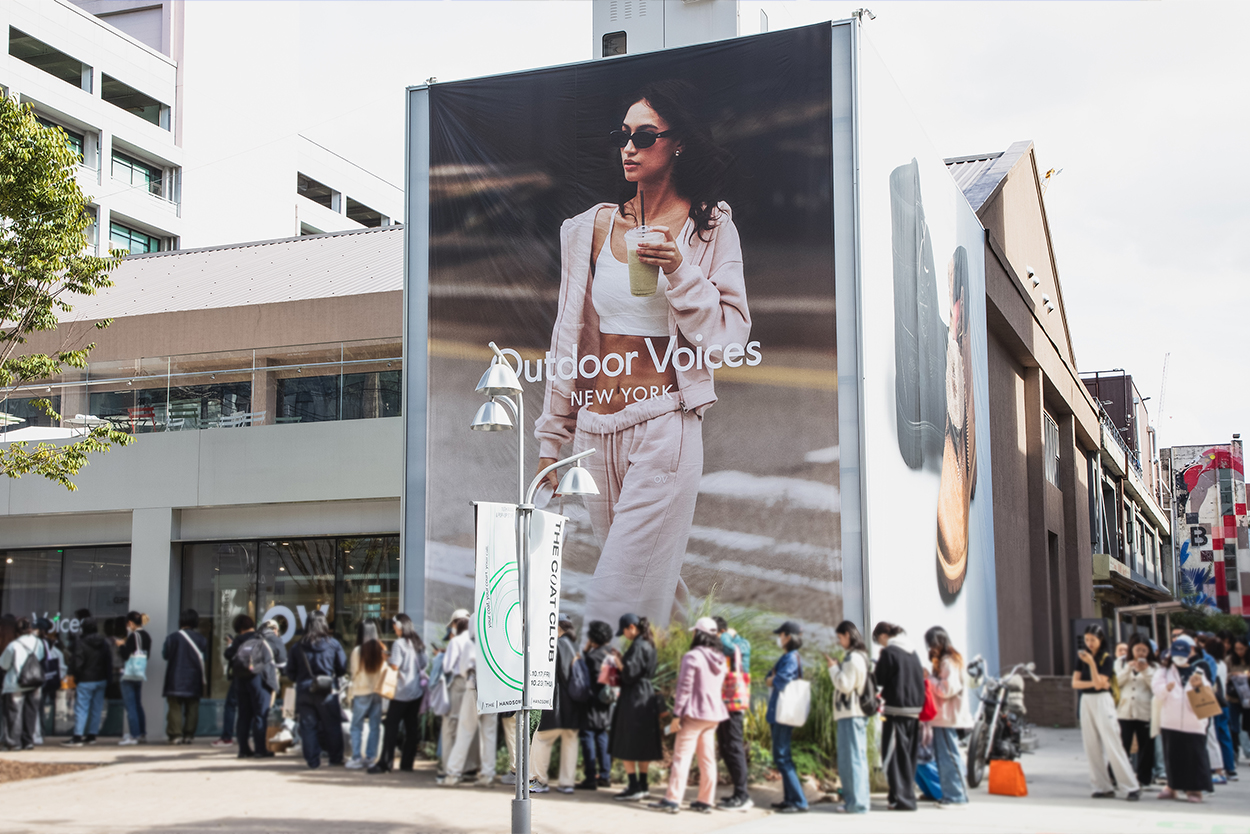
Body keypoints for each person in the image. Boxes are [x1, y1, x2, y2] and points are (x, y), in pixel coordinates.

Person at [534, 79, 749, 632]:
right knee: (649, 591)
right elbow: (570, 339)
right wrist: (551, 442)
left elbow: (728, 336)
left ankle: (602, 714)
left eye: (645, 135)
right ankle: (706, 696)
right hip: (593, 432)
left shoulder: (709, 226)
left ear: (677, 143)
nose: (629, 147)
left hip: (663, 429)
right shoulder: (589, 228)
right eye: (623, 135)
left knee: (615, 602)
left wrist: (680, 268)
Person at [651, 617, 727, 814]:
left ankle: (673, 800)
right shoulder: (720, 658)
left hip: (694, 715)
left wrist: (677, 715)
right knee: (707, 759)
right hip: (713, 715)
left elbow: (684, 689)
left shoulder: (692, 657)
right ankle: (705, 801)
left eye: (694, 631)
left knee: (682, 758)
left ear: (698, 634)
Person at [1073, 623, 1140, 800]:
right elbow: (1075, 683)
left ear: (1100, 639)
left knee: (1113, 743)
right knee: (1091, 745)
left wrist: (1092, 666)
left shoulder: (1106, 658)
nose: (1089, 643)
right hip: (1086, 700)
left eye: (1093, 640)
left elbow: (1100, 683)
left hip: (1103, 700)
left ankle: (1131, 787)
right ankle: (1101, 787)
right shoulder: (1082, 657)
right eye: (1087, 640)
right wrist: (1094, 682)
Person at [610, 613, 663, 801]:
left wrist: (617, 661)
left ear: (631, 627)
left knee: (627, 739)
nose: (624, 635)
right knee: (643, 740)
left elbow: (630, 672)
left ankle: (633, 787)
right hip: (646, 693)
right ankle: (643, 785)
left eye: (624, 631)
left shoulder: (638, 645)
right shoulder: (649, 643)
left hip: (633, 696)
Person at [1153, 636, 1214, 801]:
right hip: (1170, 721)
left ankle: (1195, 789)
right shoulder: (1164, 671)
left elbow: (1207, 694)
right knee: (1172, 755)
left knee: (1195, 756)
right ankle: (1171, 786)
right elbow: (1157, 691)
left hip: (1194, 722)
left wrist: (1198, 686)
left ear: (1189, 654)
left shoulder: (1198, 671)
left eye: (1182, 654)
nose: (1179, 658)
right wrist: (1167, 688)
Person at [873, 621, 925, 811]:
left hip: (896, 710)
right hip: (914, 710)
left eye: (879, 640)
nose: (881, 645)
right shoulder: (913, 652)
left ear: (884, 636)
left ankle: (904, 800)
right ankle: (897, 797)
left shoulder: (889, 653)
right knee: (908, 756)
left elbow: (879, 679)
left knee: (892, 756)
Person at [440, 619, 497, 788]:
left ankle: (453, 773)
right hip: (492, 690)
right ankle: (488, 774)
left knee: (465, 730)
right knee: (489, 733)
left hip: (473, 688)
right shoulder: (494, 641)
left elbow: (464, 668)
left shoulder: (471, 643)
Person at [287, 610, 347, 768]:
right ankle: (335, 758)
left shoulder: (297, 646)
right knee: (332, 725)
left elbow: (290, 673)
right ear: (324, 624)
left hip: (304, 691)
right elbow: (342, 668)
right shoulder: (333, 644)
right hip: (327, 691)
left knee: (308, 727)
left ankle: (313, 761)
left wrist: (302, 679)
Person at [530, 613, 580, 794]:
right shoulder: (576, 646)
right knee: (570, 742)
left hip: (558, 702)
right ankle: (567, 783)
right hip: (575, 704)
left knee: (541, 740)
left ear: (557, 626)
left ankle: (540, 781)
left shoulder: (555, 645)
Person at [371, 613, 427, 774]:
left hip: (401, 692)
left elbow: (395, 666)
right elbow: (423, 664)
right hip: (416, 691)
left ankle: (385, 763)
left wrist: (386, 659)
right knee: (411, 728)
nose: (394, 628)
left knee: (391, 727)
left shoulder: (399, 644)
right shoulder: (418, 643)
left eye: (395, 626)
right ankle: (407, 764)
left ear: (400, 627)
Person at [924, 626, 972, 806]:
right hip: (946, 717)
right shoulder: (951, 659)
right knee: (948, 757)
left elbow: (947, 689)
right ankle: (953, 796)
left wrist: (929, 678)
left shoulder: (948, 662)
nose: (931, 648)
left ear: (941, 642)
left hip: (947, 717)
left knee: (948, 757)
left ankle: (956, 797)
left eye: (932, 644)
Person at [827, 621, 871, 815]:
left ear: (847, 635)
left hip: (851, 714)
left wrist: (833, 669)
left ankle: (857, 804)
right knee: (853, 759)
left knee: (852, 760)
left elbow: (844, 685)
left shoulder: (853, 659)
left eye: (840, 637)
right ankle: (855, 802)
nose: (839, 641)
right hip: (852, 714)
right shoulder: (860, 656)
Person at [223, 614, 280, 759]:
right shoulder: (261, 636)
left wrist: (231, 644)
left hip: (241, 680)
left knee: (243, 715)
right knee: (260, 714)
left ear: (239, 628)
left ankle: (243, 750)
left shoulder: (238, 640)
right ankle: (260, 750)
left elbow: (228, 654)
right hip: (258, 679)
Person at [766, 620, 808, 814]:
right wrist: (772, 677)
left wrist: (772, 679)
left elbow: (780, 679)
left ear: (788, 637)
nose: (779, 638)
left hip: (783, 715)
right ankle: (790, 799)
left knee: (782, 757)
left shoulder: (791, 657)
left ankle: (799, 801)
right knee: (782, 756)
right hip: (780, 714)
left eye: (781, 635)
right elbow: (772, 676)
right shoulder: (789, 656)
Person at [714, 615, 753, 810]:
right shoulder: (724, 642)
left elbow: (731, 649)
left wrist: (726, 636)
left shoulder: (741, 643)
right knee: (725, 745)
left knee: (734, 746)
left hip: (734, 705)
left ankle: (743, 795)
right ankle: (738, 793)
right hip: (723, 702)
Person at [575, 620, 615, 790]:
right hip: (606, 702)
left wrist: (584, 651)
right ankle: (605, 776)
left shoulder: (592, 657)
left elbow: (581, 673)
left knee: (587, 737)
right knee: (602, 736)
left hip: (591, 703)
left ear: (593, 637)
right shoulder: (611, 655)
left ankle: (590, 777)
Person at [1116, 633, 1158, 791]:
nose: (1140, 653)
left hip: (1145, 711)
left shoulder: (1154, 666)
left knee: (1146, 746)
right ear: (1131, 649)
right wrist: (1128, 669)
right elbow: (1116, 683)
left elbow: (1156, 687)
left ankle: (1144, 778)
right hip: (1124, 710)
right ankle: (1117, 776)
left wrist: (1145, 671)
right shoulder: (1121, 663)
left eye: (1144, 650)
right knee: (1122, 745)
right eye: (1138, 649)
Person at [63, 617, 114, 747]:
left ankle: (78, 736)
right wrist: (108, 679)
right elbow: (108, 662)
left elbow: (77, 663)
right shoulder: (104, 643)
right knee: (97, 709)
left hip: (86, 680)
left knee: (81, 709)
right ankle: (91, 736)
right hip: (101, 679)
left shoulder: (81, 643)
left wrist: (78, 677)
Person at [161, 610, 208, 745]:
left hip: (174, 678)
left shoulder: (172, 638)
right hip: (194, 678)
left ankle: (175, 735)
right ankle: (188, 735)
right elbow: (204, 659)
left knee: (175, 707)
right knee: (192, 707)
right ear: (195, 622)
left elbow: (165, 655)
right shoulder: (201, 640)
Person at [347, 620, 388, 769]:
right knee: (374, 726)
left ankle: (357, 758)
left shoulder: (357, 651)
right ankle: (371, 758)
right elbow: (385, 671)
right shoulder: (382, 649)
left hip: (361, 691)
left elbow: (354, 672)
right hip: (377, 692)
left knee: (356, 726)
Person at [1, 617, 47, 751]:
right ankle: (28, 742)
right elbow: (41, 658)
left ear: (17, 631)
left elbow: (3, 665)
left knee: (14, 714)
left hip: (15, 684)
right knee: (31, 713)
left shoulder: (13, 645)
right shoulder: (39, 643)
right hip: (35, 683)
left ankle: (14, 743)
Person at [438, 611, 473, 778]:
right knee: (468, 727)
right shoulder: (476, 640)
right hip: (473, 686)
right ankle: (469, 767)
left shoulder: (456, 641)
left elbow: (447, 667)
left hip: (458, 684)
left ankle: (449, 768)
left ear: (456, 624)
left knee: (450, 727)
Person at [1204, 638, 1237, 782]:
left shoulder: (1210, 663)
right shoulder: (1222, 664)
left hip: (1213, 702)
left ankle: (1218, 768)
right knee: (1224, 735)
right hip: (1224, 702)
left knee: (1213, 736)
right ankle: (1229, 768)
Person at [116, 611, 151, 745]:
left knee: (130, 706)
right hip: (139, 673)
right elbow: (146, 656)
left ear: (130, 623)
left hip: (129, 674)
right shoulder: (146, 636)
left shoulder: (133, 636)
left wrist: (121, 645)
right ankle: (142, 734)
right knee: (138, 705)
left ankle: (134, 736)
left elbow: (125, 655)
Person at [1228, 636, 1249, 764]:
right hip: (1233, 697)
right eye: (1236, 649)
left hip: (1247, 699)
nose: (1239, 652)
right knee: (1233, 726)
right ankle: (1234, 752)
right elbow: (1224, 675)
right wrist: (1232, 675)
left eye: (1242, 649)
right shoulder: (1229, 660)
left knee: (1248, 726)